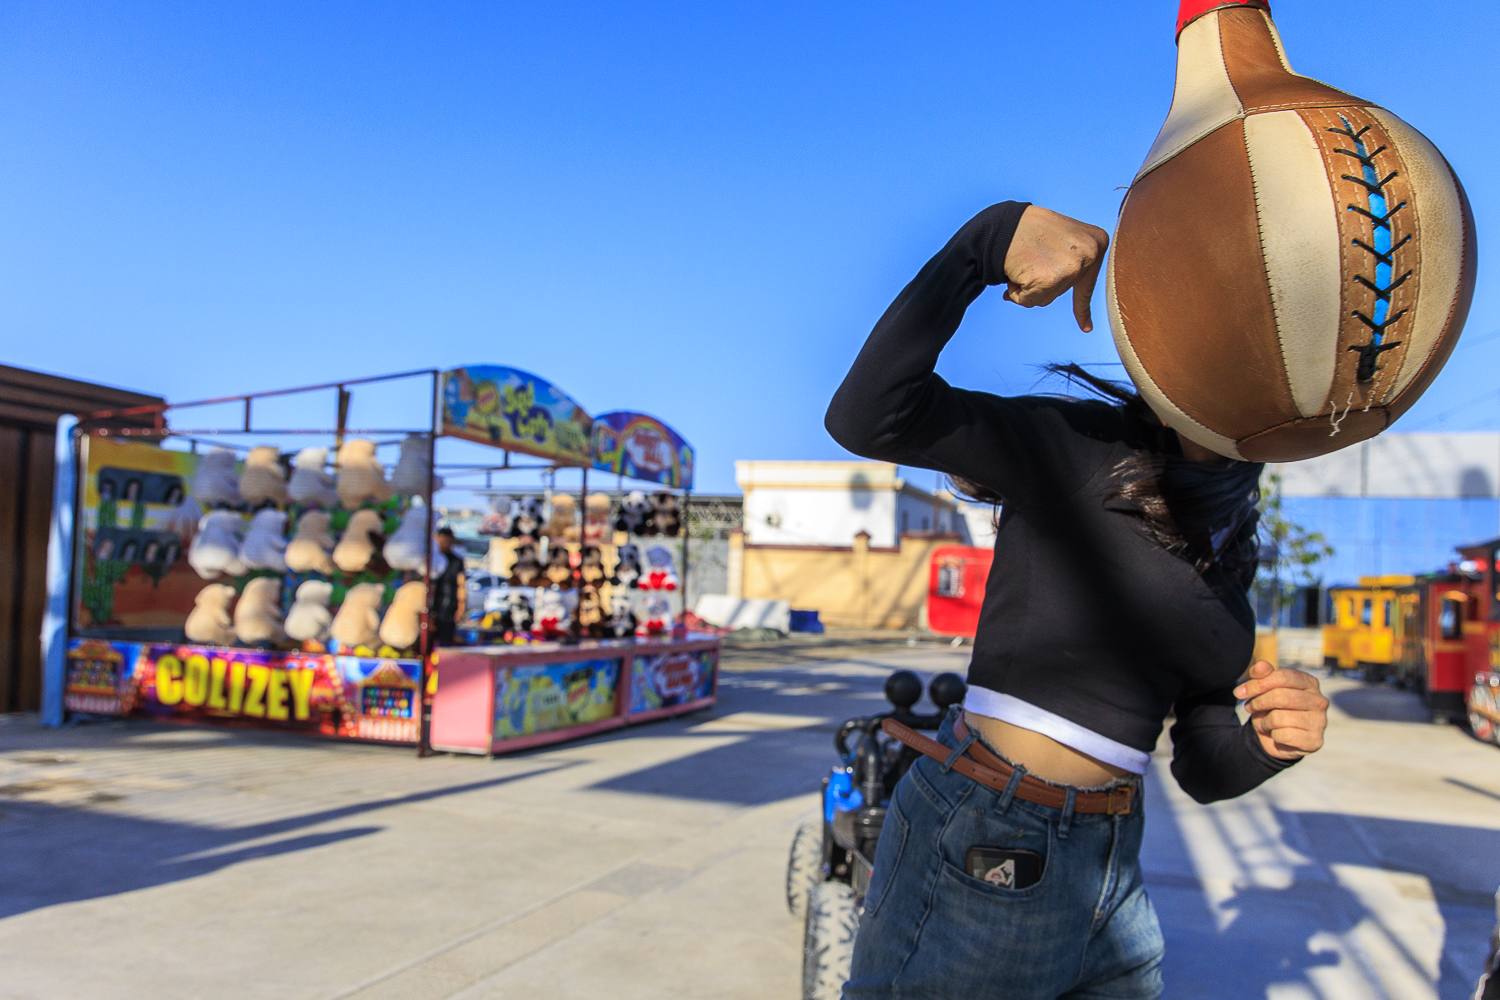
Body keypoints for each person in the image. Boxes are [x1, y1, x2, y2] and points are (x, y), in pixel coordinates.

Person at [824, 202, 1330, 1000]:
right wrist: (983, 244)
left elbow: (1201, 761)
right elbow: (867, 417)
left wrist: (1268, 744)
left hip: (1113, 865)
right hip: (990, 832)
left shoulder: (1232, 541)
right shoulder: (1083, 446)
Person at [430, 527, 466, 647]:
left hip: (449, 608)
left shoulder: (457, 561)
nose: (444, 542)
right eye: (441, 539)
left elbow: (461, 584)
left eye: (447, 539)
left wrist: (461, 607)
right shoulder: (431, 559)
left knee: (446, 642)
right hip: (430, 607)